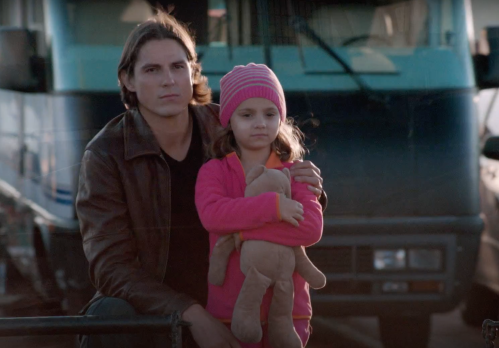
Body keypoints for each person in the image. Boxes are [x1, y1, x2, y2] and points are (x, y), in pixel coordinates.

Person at [76, 10, 326, 348]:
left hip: (236, 295)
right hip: (156, 309)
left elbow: (281, 179)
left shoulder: (228, 125)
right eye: (152, 70)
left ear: (193, 72)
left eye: (178, 67)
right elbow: (111, 268)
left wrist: (309, 186)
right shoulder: (106, 155)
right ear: (129, 80)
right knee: (109, 313)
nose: (169, 80)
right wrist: (189, 312)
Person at [195, 63, 323, 348]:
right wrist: (274, 209)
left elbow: (310, 229)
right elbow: (213, 216)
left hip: (290, 315)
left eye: (270, 113)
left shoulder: (296, 173)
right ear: (229, 120)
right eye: (247, 114)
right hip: (230, 315)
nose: (260, 123)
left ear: (281, 118)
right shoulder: (213, 172)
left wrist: (240, 234)